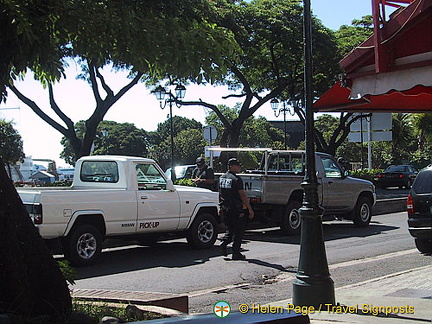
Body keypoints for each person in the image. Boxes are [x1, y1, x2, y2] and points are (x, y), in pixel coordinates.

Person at [219, 158, 254, 260]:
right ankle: (236, 252)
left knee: (230, 229)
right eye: (237, 165)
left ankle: (224, 243)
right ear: (231, 166)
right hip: (236, 209)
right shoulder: (236, 179)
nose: (239, 167)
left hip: (226, 208)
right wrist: (250, 209)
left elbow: (220, 193)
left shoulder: (222, 178)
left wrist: (220, 206)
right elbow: (242, 196)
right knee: (239, 231)